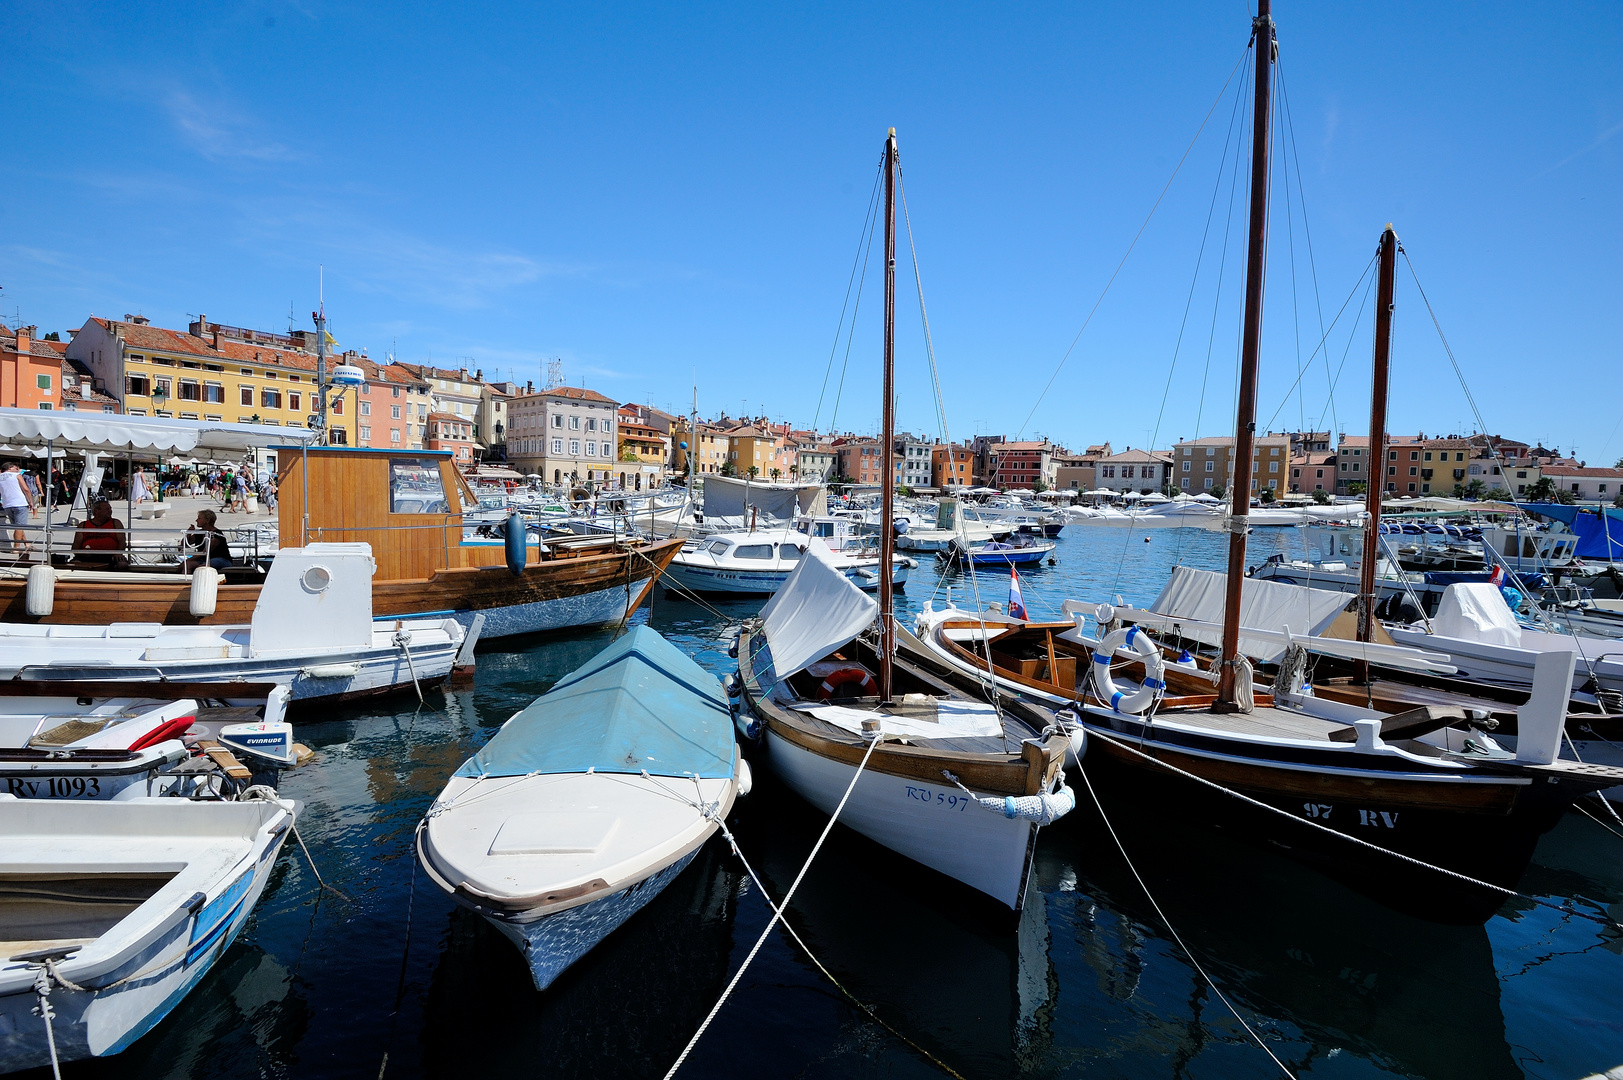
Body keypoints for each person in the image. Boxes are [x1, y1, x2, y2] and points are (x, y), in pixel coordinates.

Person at [70, 499, 129, 569]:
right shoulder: (83, 525)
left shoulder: (116, 523)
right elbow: (75, 547)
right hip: (88, 556)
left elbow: (122, 541)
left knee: (122, 565)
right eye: (107, 509)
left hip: (110, 556)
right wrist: (84, 553)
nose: (110, 511)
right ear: (96, 511)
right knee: (74, 564)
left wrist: (118, 553)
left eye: (110, 509)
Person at [0, 461, 37, 553]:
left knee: (17, 525)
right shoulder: (16, 476)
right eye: (16, 468)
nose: (18, 470)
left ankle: (26, 543)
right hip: (19, 503)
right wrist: (30, 501)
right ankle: (16, 548)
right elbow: (26, 489)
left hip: (7, 504)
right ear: (10, 468)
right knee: (19, 526)